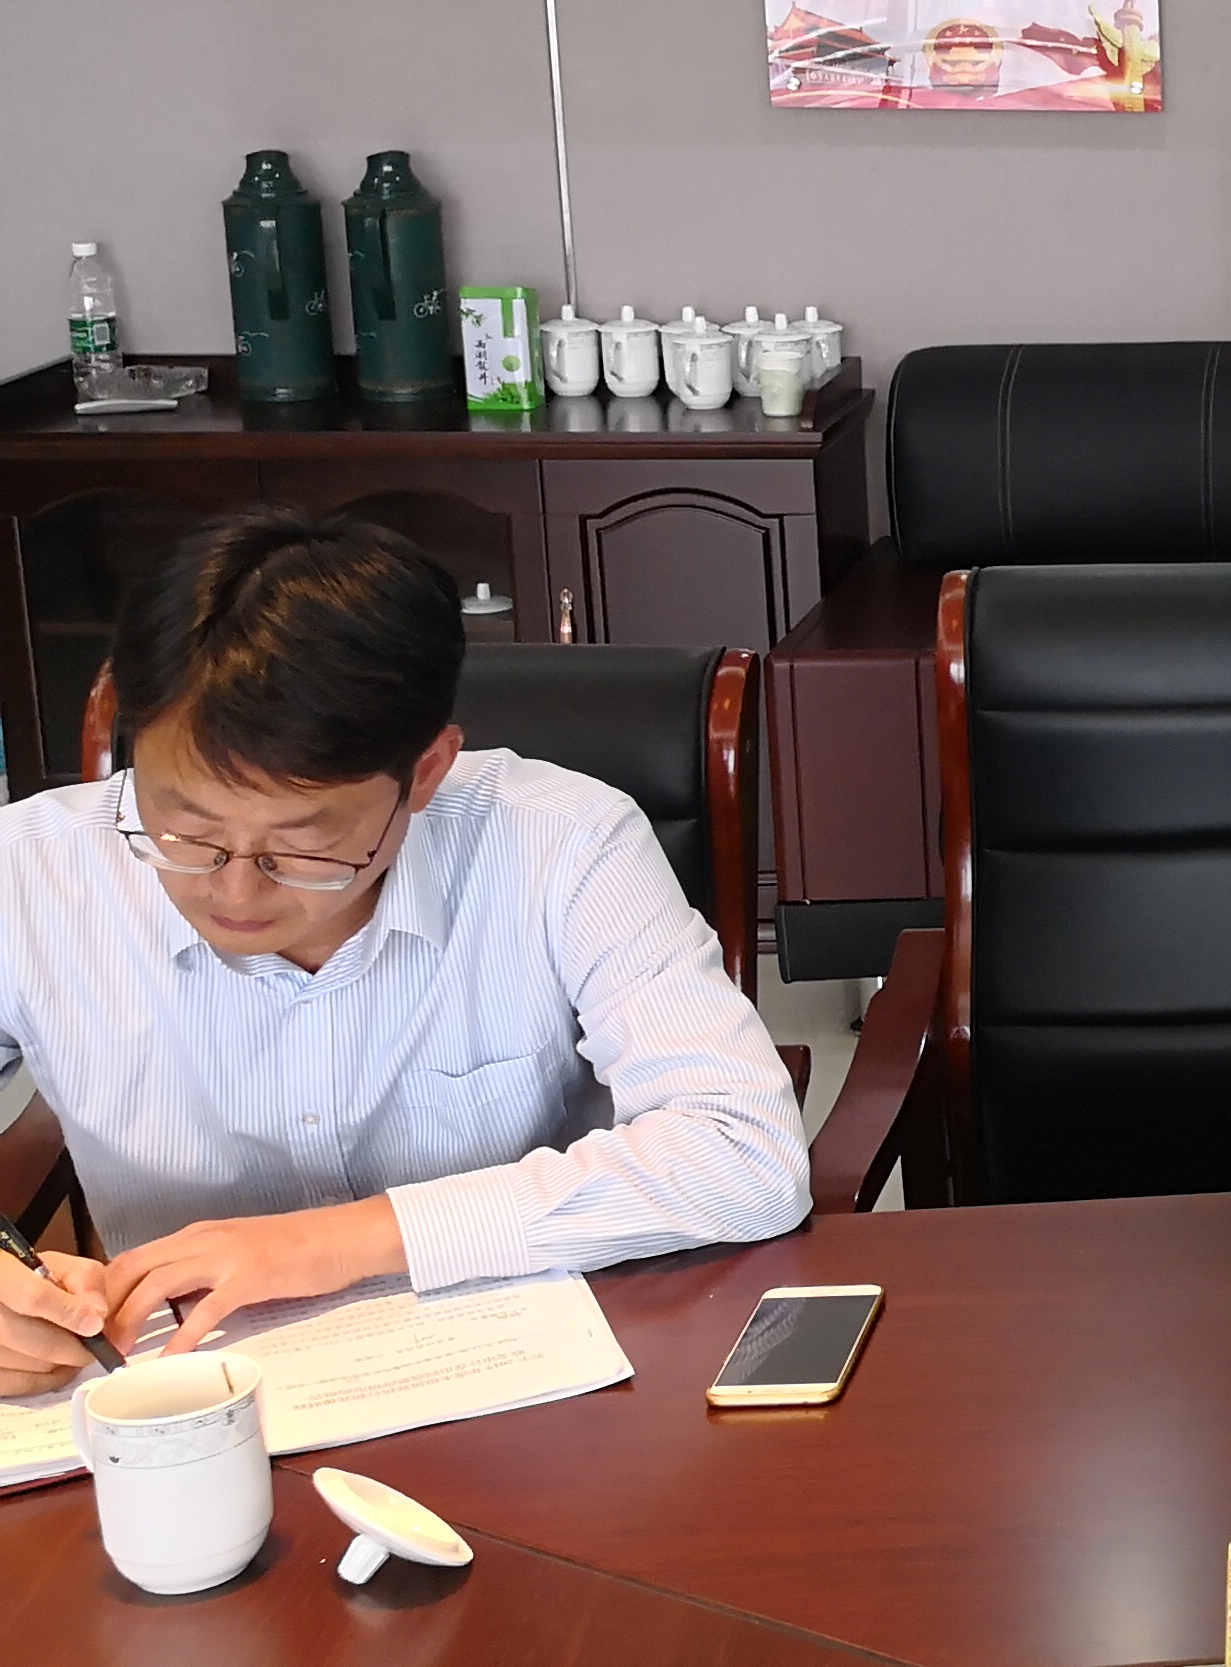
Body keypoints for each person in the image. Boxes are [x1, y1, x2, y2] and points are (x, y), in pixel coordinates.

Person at [0, 511, 809, 1385]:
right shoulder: (29, 873)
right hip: (185, 1394)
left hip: (526, 1379)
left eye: (301, 846)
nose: (233, 891)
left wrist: (340, 1241)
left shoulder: (562, 843)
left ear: (425, 773)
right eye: (184, 831)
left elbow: (745, 1151)